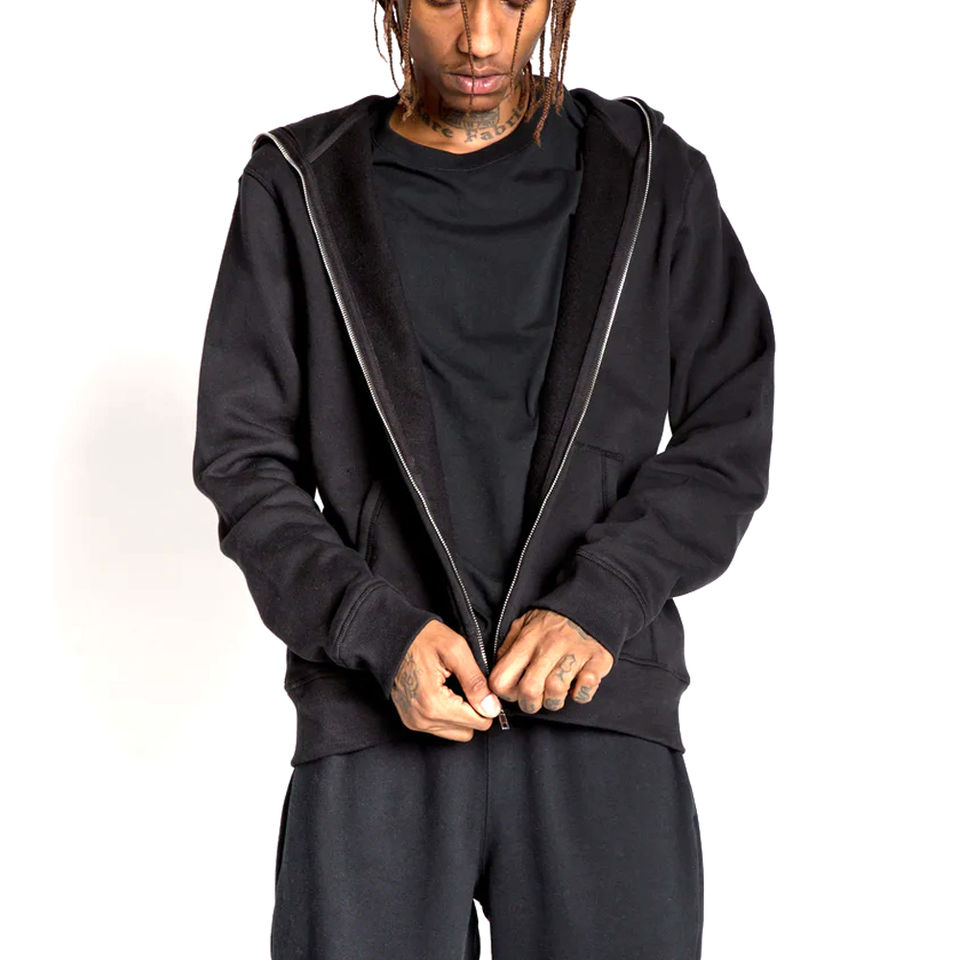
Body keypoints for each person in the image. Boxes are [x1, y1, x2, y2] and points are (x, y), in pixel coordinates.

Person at [191, 1, 775, 957]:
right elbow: (244, 463)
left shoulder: (649, 173)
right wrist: (375, 629)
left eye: (514, 0)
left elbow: (730, 426)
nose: (482, 38)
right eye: (444, 0)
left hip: (599, 709)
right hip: (375, 719)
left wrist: (606, 596)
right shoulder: (299, 185)